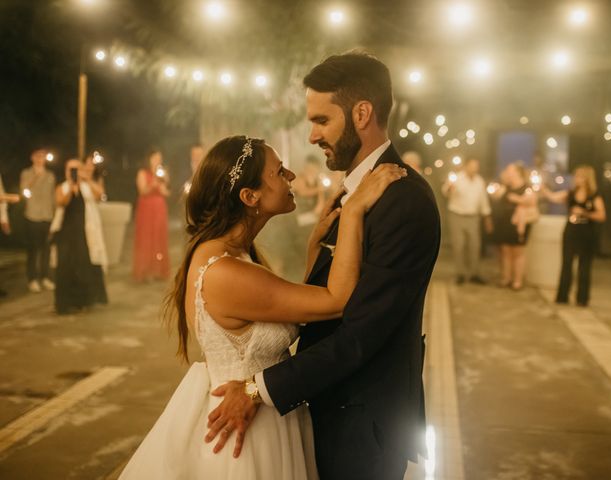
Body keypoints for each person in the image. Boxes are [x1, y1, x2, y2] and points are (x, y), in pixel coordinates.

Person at [207, 53, 441, 480]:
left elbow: (360, 334)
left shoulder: (403, 200)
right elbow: (321, 300)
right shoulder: (352, 194)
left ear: (362, 113)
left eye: (321, 120)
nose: (313, 135)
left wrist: (258, 390)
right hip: (325, 408)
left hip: (362, 424)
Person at [118, 136, 406, 479]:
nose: (292, 176)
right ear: (249, 196)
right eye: (279, 171)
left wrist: (315, 246)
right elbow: (338, 301)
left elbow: (288, 307)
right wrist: (356, 209)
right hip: (248, 433)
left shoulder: (230, 255)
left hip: (261, 415)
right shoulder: (227, 272)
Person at [50, 159, 108, 314]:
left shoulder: (86, 186)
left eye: (77, 169)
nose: (74, 172)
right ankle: (64, 304)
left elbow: (100, 194)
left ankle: (82, 301)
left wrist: (87, 179)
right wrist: (71, 187)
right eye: (71, 169)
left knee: (82, 267)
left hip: (83, 233)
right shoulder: (62, 187)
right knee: (65, 267)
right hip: (66, 233)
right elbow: (60, 202)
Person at [542, 166, 606, 306]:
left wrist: (584, 213)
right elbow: (553, 197)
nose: (577, 179)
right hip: (571, 230)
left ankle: (582, 299)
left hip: (586, 231)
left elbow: (602, 215)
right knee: (566, 264)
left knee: (584, 266)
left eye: (580, 176)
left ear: (587, 179)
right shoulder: (570, 193)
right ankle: (562, 296)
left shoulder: (594, 196)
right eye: (576, 176)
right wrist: (543, 188)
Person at [441, 157, 493, 284]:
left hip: (473, 217)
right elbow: (445, 192)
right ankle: (460, 273)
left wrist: (487, 217)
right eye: (472, 165)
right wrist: (449, 188)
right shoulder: (457, 178)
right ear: (466, 166)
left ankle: (474, 273)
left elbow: (483, 200)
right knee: (459, 245)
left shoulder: (479, 181)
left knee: (475, 245)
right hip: (457, 215)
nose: (474, 168)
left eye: (476, 166)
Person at [491, 162, 538, 290]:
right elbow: (495, 196)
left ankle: (517, 281)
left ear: (518, 172)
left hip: (519, 223)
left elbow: (531, 201)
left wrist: (515, 199)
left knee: (518, 252)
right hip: (505, 222)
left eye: (510, 170)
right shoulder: (505, 187)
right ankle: (506, 278)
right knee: (505, 251)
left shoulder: (527, 188)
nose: (507, 172)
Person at [20, 149, 56, 293]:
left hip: (47, 216)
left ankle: (45, 277)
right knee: (33, 249)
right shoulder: (26, 173)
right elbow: (24, 191)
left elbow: (52, 196)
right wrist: (35, 177)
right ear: (32, 157)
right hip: (32, 215)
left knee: (46, 248)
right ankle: (32, 279)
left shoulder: (50, 175)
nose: (40, 159)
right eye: (37, 156)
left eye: (43, 156)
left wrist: (55, 215)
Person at [133, 149, 170, 282]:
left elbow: (166, 192)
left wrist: (162, 183)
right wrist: (153, 184)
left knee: (158, 237)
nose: (158, 161)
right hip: (146, 208)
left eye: (159, 158)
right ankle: (145, 271)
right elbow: (142, 191)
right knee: (147, 238)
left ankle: (158, 270)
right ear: (149, 159)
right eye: (155, 158)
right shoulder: (142, 173)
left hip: (159, 208)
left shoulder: (162, 173)